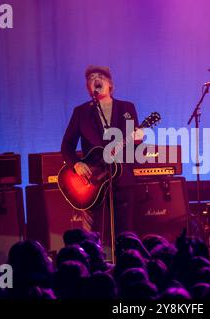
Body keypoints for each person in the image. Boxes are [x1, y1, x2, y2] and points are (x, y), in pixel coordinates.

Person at [61, 65, 143, 260]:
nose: (95, 79)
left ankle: (127, 268)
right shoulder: (81, 112)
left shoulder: (126, 108)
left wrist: (137, 139)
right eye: (91, 78)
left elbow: (135, 147)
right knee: (94, 234)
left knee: (125, 233)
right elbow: (66, 145)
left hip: (122, 180)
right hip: (94, 184)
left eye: (100, 76)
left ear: (110, 84)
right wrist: (77, 165)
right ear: (88, 87)